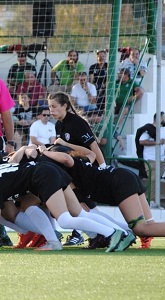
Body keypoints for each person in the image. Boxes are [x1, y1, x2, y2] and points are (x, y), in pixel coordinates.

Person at [42, 142, 165, 252]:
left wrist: (44, 150)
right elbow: (90, 152)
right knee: (149, 224)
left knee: (140, 228)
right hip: (124, 177)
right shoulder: (83, 159)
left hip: (119, 183)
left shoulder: (70, 163)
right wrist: (64, 144)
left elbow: (65, 157)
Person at [0, 161, 128, 252]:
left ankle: (113, 233)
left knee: (66, 220)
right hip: (46, 170)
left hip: (42, 176)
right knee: (80, 213)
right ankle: (125, 233)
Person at [48, 91, 107, 246]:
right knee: (84, 204)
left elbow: (93, 147)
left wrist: (103, 167)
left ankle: (109, 233)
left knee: (82, 203)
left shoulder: (77, 123)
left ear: (65, 106)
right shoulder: (59, 124)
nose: (51, 110)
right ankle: (103, 234)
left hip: (85, 169)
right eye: (49, 107)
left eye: (54, 107)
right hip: (72, 169)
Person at [138, 112, 165, 201]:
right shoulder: (149, 129)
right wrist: (157, 142)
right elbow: (142, 141)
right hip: (150, 158)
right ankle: (151, 201)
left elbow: (164, 142)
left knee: (157, 181)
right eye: (164, 118)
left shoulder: (163, 129)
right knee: (153, 180)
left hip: (161, 158)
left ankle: (155, 200)